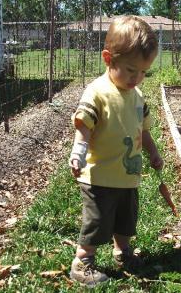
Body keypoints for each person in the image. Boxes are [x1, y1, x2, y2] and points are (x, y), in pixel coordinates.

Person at [68, 15, 163, 287]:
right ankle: (83, 262)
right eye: (131, 70)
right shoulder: (97, 92)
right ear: (108, 59)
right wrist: (79, 151)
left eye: (144, 72)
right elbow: (84, 124)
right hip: (99, 176)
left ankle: (123, 253)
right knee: (97, 221)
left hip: (128, 175)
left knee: (125, 219)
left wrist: (153, 153)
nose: (138, 78)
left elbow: (143, 131)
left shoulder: (138, 97)